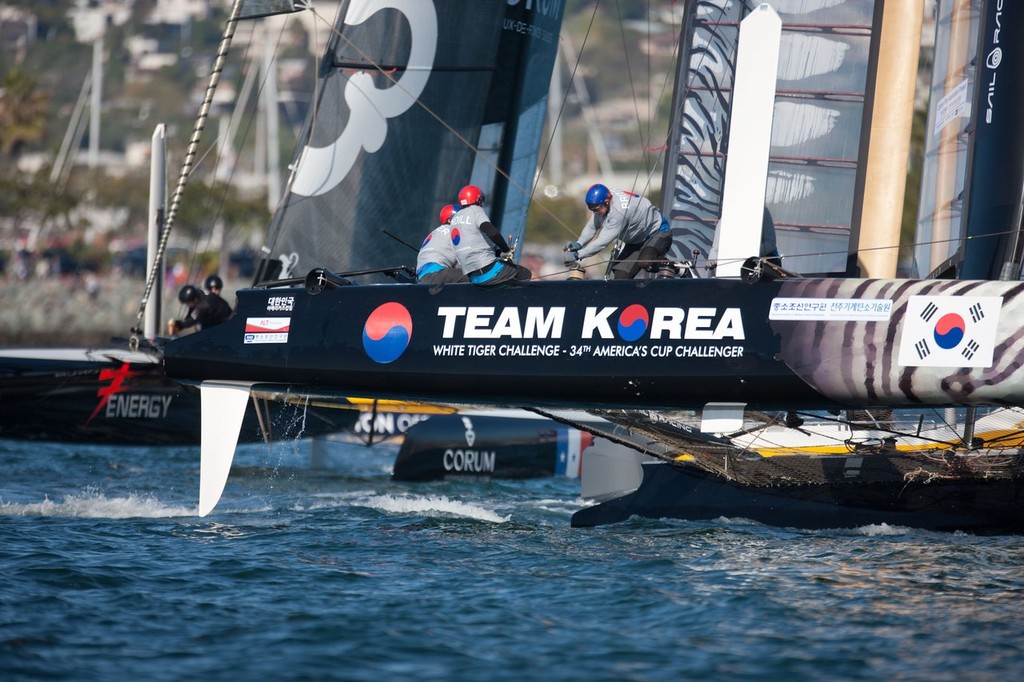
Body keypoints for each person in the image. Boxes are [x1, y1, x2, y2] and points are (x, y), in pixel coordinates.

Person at [563, 183, 672, 279]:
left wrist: (578, 255)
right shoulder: (604, 200)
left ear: (606, 202)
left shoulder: (618, 213)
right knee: (621, 276)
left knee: (646, 261)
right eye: (591, 209)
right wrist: (579, 243)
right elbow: (593, 226)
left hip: (657, 231)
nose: (594, 212)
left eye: (596, 209)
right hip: (636, 241)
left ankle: (676, 267)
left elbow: (602, 243)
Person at [450, 185, 531, 286]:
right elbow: (493, 233)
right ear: (478, 199)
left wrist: (499, 252)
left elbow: (472, 247)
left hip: (473, 277)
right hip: (487, 270)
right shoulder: (476, 210)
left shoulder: (455, 218)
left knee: (504, 280)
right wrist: (506, 250)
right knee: (524, 274)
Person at [416, 205, 469, 285]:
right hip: (437, 274)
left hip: (423, 278)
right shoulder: (454, 231)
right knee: (479, 277)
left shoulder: (435, 232)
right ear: (451, 220)